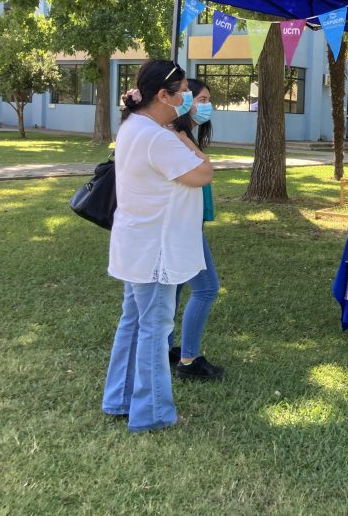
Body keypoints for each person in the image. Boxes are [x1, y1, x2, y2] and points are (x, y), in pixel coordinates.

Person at [102, 60, 213, 432]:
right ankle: (150, 413)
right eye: (182, 91)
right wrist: (187, 140)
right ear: (163, 96)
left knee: (133, 322)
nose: (187, 97)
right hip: (154, 249)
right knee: (154, 327)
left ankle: (119, 399)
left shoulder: (134, 126)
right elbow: (203, 174)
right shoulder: (158, 137)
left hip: (138, 243)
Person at [168, 79, 224, 381]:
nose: (206, 105)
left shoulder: (184, 134)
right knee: (206, 288)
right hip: (182, 225)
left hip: (186, 222)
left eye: (208, 100)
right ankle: (188, 360)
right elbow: (204, 169)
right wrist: (185, 138)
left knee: (175, 287)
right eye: (200, 99)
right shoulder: (176, 135)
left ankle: (167, 350)